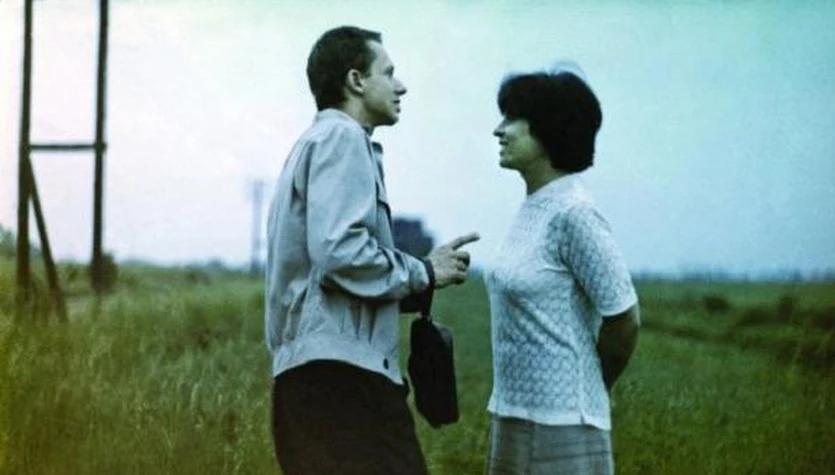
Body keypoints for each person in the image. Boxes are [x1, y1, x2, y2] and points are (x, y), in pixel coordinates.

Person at [264, 25, 479, 475]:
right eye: (389, 72)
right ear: (356, 80)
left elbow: (326, 271)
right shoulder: (343, 139)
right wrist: (424, 272)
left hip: (309, 383)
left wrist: (418, 279)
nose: (401, 86)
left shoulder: (311, 145)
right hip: (344, 385)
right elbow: (339, 250)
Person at [484, 68, 640, 475]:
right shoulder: (533, 207)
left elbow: (624, 318)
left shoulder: (575, 213)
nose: (498, 130)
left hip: (564, 424)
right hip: (512, 415)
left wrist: (592, 384)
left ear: (548, 130)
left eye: (511, 119)